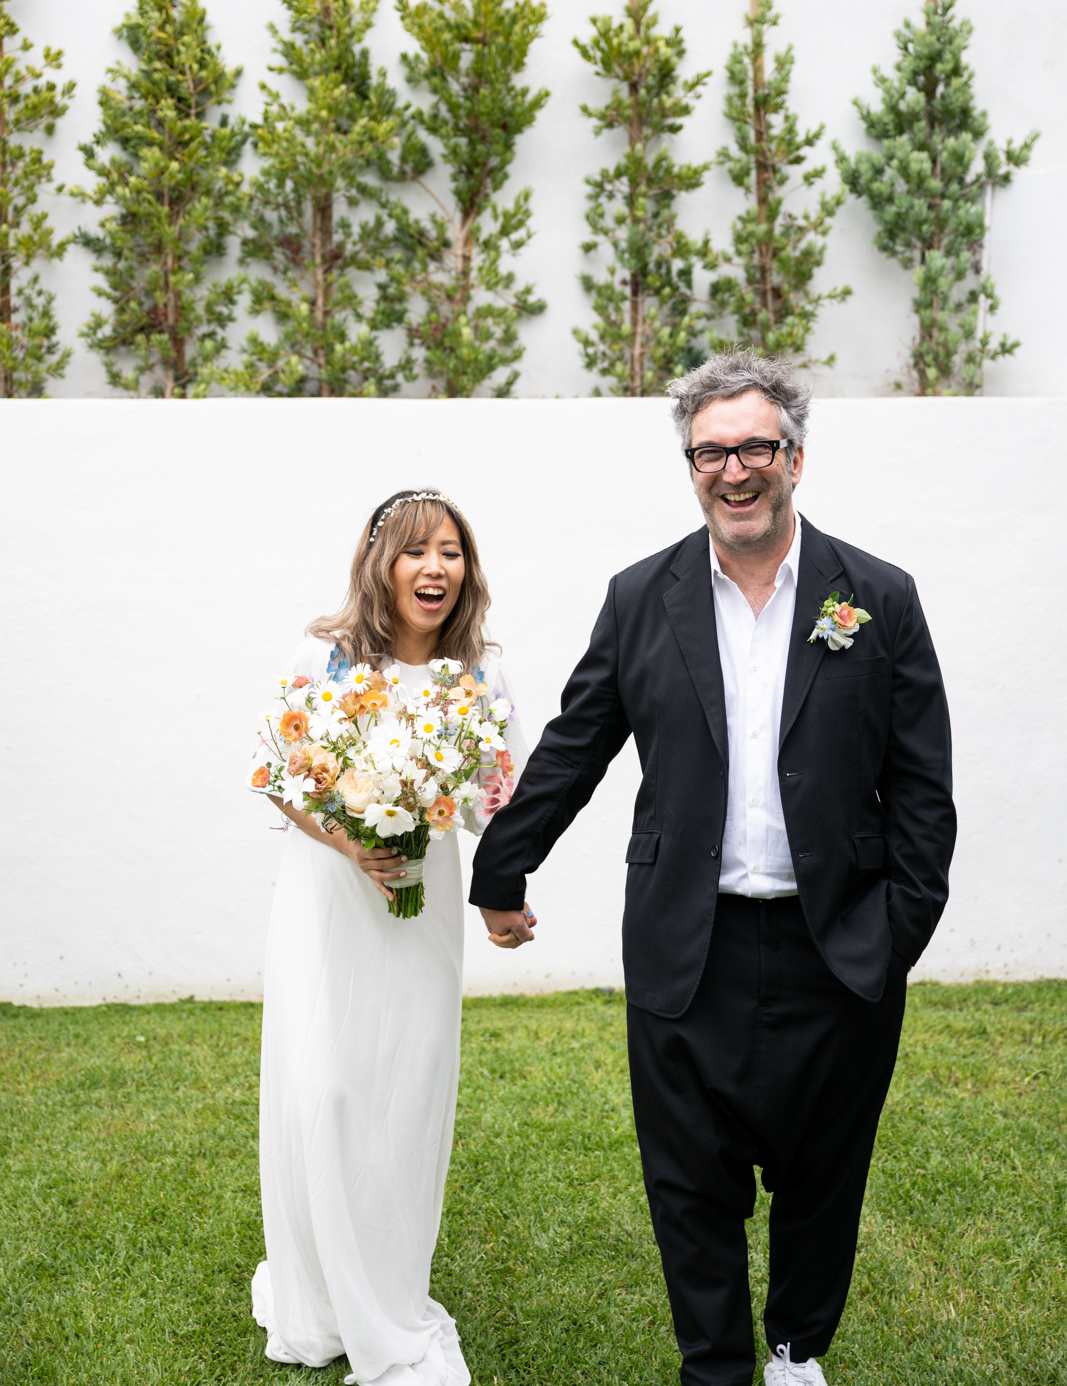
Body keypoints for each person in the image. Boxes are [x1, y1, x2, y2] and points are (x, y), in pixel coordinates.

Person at [469, 352, 956, 1386]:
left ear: (794, 458)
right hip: (685, 942)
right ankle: (715, 1369)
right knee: (688, 1182)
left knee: (823, 1175)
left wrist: (896, 927)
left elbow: (921, 783)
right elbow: (574, 744)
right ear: (689, 464)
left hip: (840, 944)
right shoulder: (639, 596)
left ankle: (792, 1352)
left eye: (754, 447)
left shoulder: (875, 596)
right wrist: (499, 869)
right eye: (710, 451)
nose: (733, 470)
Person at [247, 489, 528, 1386]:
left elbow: (498, 801)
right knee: (322, 1089)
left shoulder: (477, 674)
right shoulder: (326, 655)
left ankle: (392, 1293)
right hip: (328, 902)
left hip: (422, 911)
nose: (435, 568)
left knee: (403, 1097)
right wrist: (350, 842)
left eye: (450, 552)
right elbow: (278, 776)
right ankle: (320, 1297)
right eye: (415, 552)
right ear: (381, 563)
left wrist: (504, 892)